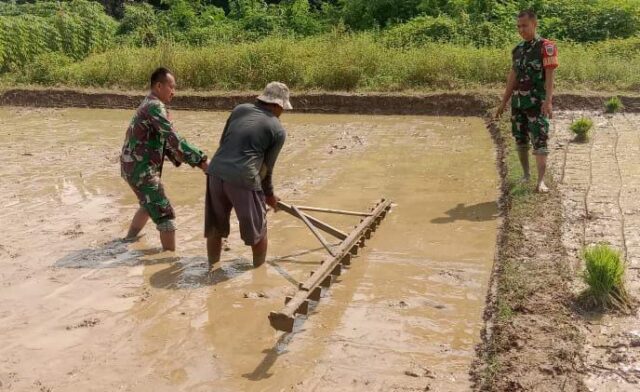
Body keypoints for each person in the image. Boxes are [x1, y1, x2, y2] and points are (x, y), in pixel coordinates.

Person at [204, 82, 291, 268]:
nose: (282, 112)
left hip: (215, 172)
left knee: (215, 229)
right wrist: (269, 196)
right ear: (277, 105)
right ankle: (259, 271)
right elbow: (267, 169)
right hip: (243, 178)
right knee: (258, 231)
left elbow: (224, 142)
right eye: (283, 108)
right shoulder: (277, 129)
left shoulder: (239, 109)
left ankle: (212, 267)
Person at [120, 67, 208, 251]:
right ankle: (170, 261)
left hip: (131, 167)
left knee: (148, 204)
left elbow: (167, 143)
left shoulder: (150, 103)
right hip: (141, 169)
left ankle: (127, 242)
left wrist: (183, 157)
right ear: (159, 86)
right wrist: (202, 161)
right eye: (171, 86)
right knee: (164, 213)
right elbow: (173, 137)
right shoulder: (154, 106)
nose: (174, 92)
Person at [496, 9, 558, 193]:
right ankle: (526, 175)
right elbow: (512, 77)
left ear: (534, 24)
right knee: (520, 139)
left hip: (536, 103)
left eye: (525, 25)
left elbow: (550, 76)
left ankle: (540, 182)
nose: (521, 29)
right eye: (518, 26)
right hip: (518, 103)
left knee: (540, 139)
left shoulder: (546, 47)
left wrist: (548, 101)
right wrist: (503, 102)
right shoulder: (518, 50)